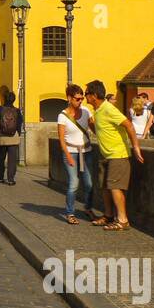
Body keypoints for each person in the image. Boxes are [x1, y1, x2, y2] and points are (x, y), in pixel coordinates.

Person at [85, 79, 144, 231]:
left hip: (118, 154)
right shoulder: (97, 111)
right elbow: (102, 131)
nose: (85, 97)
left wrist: (136, 147)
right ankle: (108, 215)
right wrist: (91, 125)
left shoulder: (108, 109)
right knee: (105, 186)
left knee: (115, 186)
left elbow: (128, 125)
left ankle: (123, 220)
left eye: (87, 94)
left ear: (94, 95)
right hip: (105, 155)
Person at [56, 84, 95, 225]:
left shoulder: (86, 111)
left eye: (82, 98)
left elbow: (94, 128)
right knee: (74, 183)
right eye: (77, 99)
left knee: (89, 183)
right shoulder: (62, 116)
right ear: (69, 98)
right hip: (71, 152)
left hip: (87, 151)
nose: (80, 101)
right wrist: (68, 155)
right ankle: (70, 213)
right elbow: (61, 139)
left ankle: (88, 208)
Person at [0, 90, 22, 185]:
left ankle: (0, 176)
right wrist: (18, 134)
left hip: (2, 137)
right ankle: (11, 179)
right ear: (14, 100)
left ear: (4, 98)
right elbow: (19, 124)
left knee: (0, 158)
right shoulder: (17, 110)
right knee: (12, 160)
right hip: (13, 137)